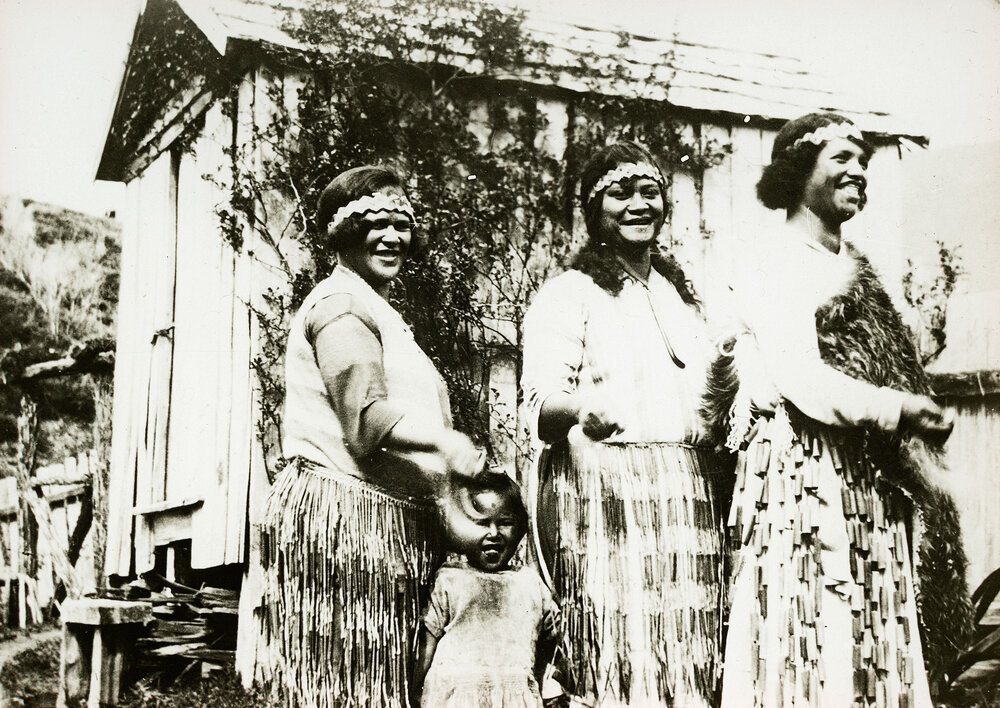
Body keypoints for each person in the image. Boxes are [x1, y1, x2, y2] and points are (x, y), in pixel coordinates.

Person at [712, 113, 955, 708]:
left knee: (875, 626)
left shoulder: (852, 267)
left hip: (870, 475)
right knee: (814, 623)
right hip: (805, 475)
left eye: (863, 161)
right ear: (800, 170)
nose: (858, 171)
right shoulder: (774, 258)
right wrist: (898, 408)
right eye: (842, 158)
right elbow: (801, 378)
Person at [255, 165, 481, 708]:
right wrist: (445, 442)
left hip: (378, 525)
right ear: (343, 232)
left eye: (401, 224)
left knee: (373, 686)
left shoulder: (373, 306)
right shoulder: (341, 305)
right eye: (374, 224)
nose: (391, 237)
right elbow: (366, 420)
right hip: (350, 525)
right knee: (351, 686)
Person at [521, 141, 723, 707]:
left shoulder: (681, 299)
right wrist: (581, 408)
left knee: (684, 648)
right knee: (616, 644)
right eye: (620, 193)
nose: (638, 205)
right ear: (594, 209)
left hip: (686, 495)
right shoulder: (570, 293)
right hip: (605, 497)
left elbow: (709, 397)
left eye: (649, 192)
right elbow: (539, 402)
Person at [412, 472, 560, 708]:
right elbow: (426, 645)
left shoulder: (530, 583)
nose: (493, 534)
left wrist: (538, 684)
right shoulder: (450, 579)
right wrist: (414, 692)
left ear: (521, 529)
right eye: (480, 523)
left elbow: (550, 641)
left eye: (505, 522)